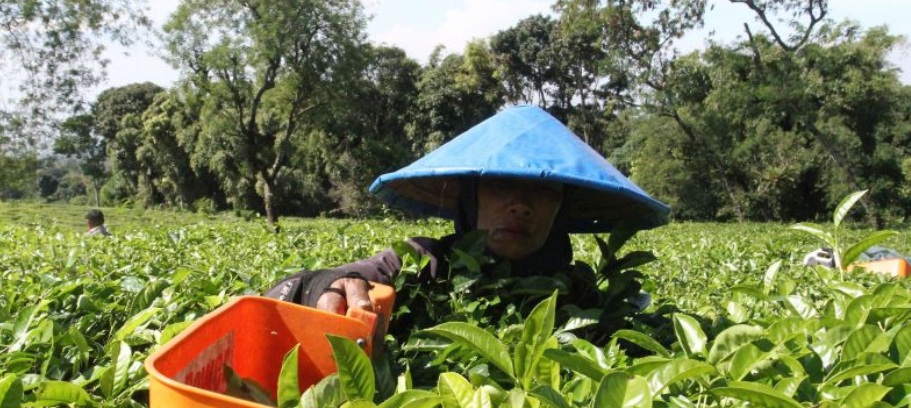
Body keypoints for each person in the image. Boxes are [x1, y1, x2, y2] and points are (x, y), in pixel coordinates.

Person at [265, 105, 670, 315]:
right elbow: (325, 283)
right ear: (470, 197)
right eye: (502, 184)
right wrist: (327, 287)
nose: (521, 206)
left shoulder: (579, 294)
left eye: (543, 190)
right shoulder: (425, 265)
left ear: (561, 207)